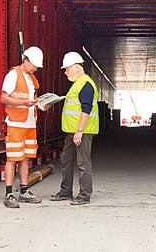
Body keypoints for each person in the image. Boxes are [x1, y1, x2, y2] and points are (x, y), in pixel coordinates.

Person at [48, 51, 100, 205]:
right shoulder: (78, 84)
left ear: (76, 67)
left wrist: (79, 131)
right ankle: (65, 192)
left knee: (83, 163)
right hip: (73, 131)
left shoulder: (85, 84)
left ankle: (84, 195)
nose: (65, 72)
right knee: (66, 159)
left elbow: (86, 108)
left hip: (82, 131)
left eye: (67, 69)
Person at [0, 46, 44, 208]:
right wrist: (24, 103)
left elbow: (31, 99)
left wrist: (40, 105)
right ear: (25, 61)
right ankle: (9, 193)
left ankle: (24, 190)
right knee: (12, 158)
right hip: (16, 123)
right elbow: (4, 98)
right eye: (34, 66)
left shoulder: (32, 79)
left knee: (26, 158)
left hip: (29, 123)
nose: (35, 69)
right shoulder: (13, 75)